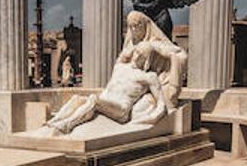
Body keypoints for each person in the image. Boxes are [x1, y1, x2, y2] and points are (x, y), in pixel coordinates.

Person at [39, 11, 186, 135]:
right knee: (77, 98)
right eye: (130, 27)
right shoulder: (121, 66)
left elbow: (161, 104)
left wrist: (150, 117)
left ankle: (67, 125)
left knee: (94, 100)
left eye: (137, 26)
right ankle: (53, 123)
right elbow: (122, 57)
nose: (133, 31)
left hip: (121, 110)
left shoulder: (149, 76)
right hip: (108, 100)